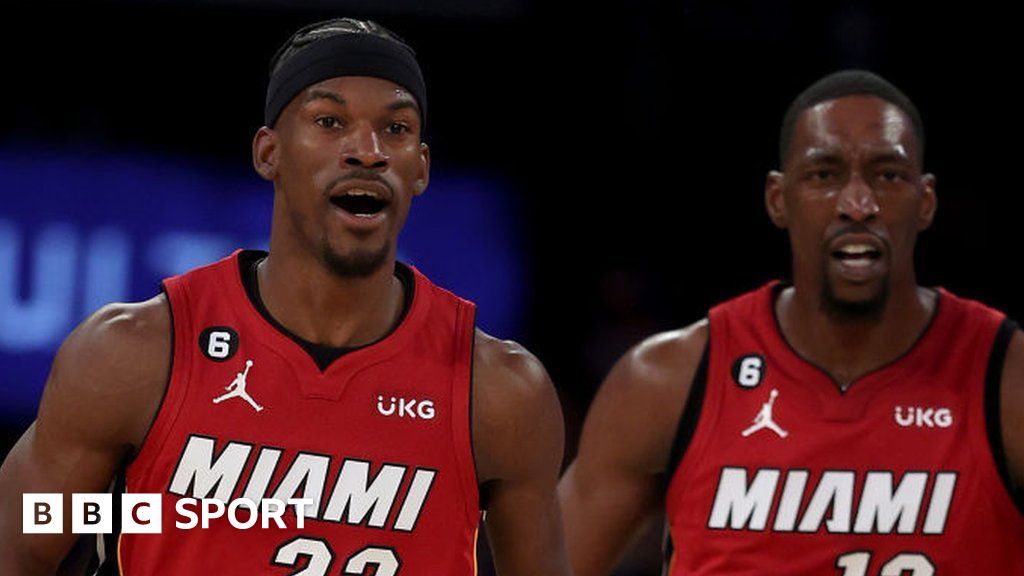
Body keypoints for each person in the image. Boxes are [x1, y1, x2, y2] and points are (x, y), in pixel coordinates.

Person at [0, 18, 570, 575]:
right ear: (269, 153)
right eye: (329, 121)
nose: (367, 151)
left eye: (396, 128)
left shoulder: (499, 392)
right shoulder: (135, 351)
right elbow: (27, 537)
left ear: (419, 168)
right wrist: (148, 510)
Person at [558, 70, 1024, 574]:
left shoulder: (1008, 381)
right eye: (824, 175)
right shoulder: (667, 381)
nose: (857, 205)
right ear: (778, 199)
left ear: (926, 200)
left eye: (887, 175)